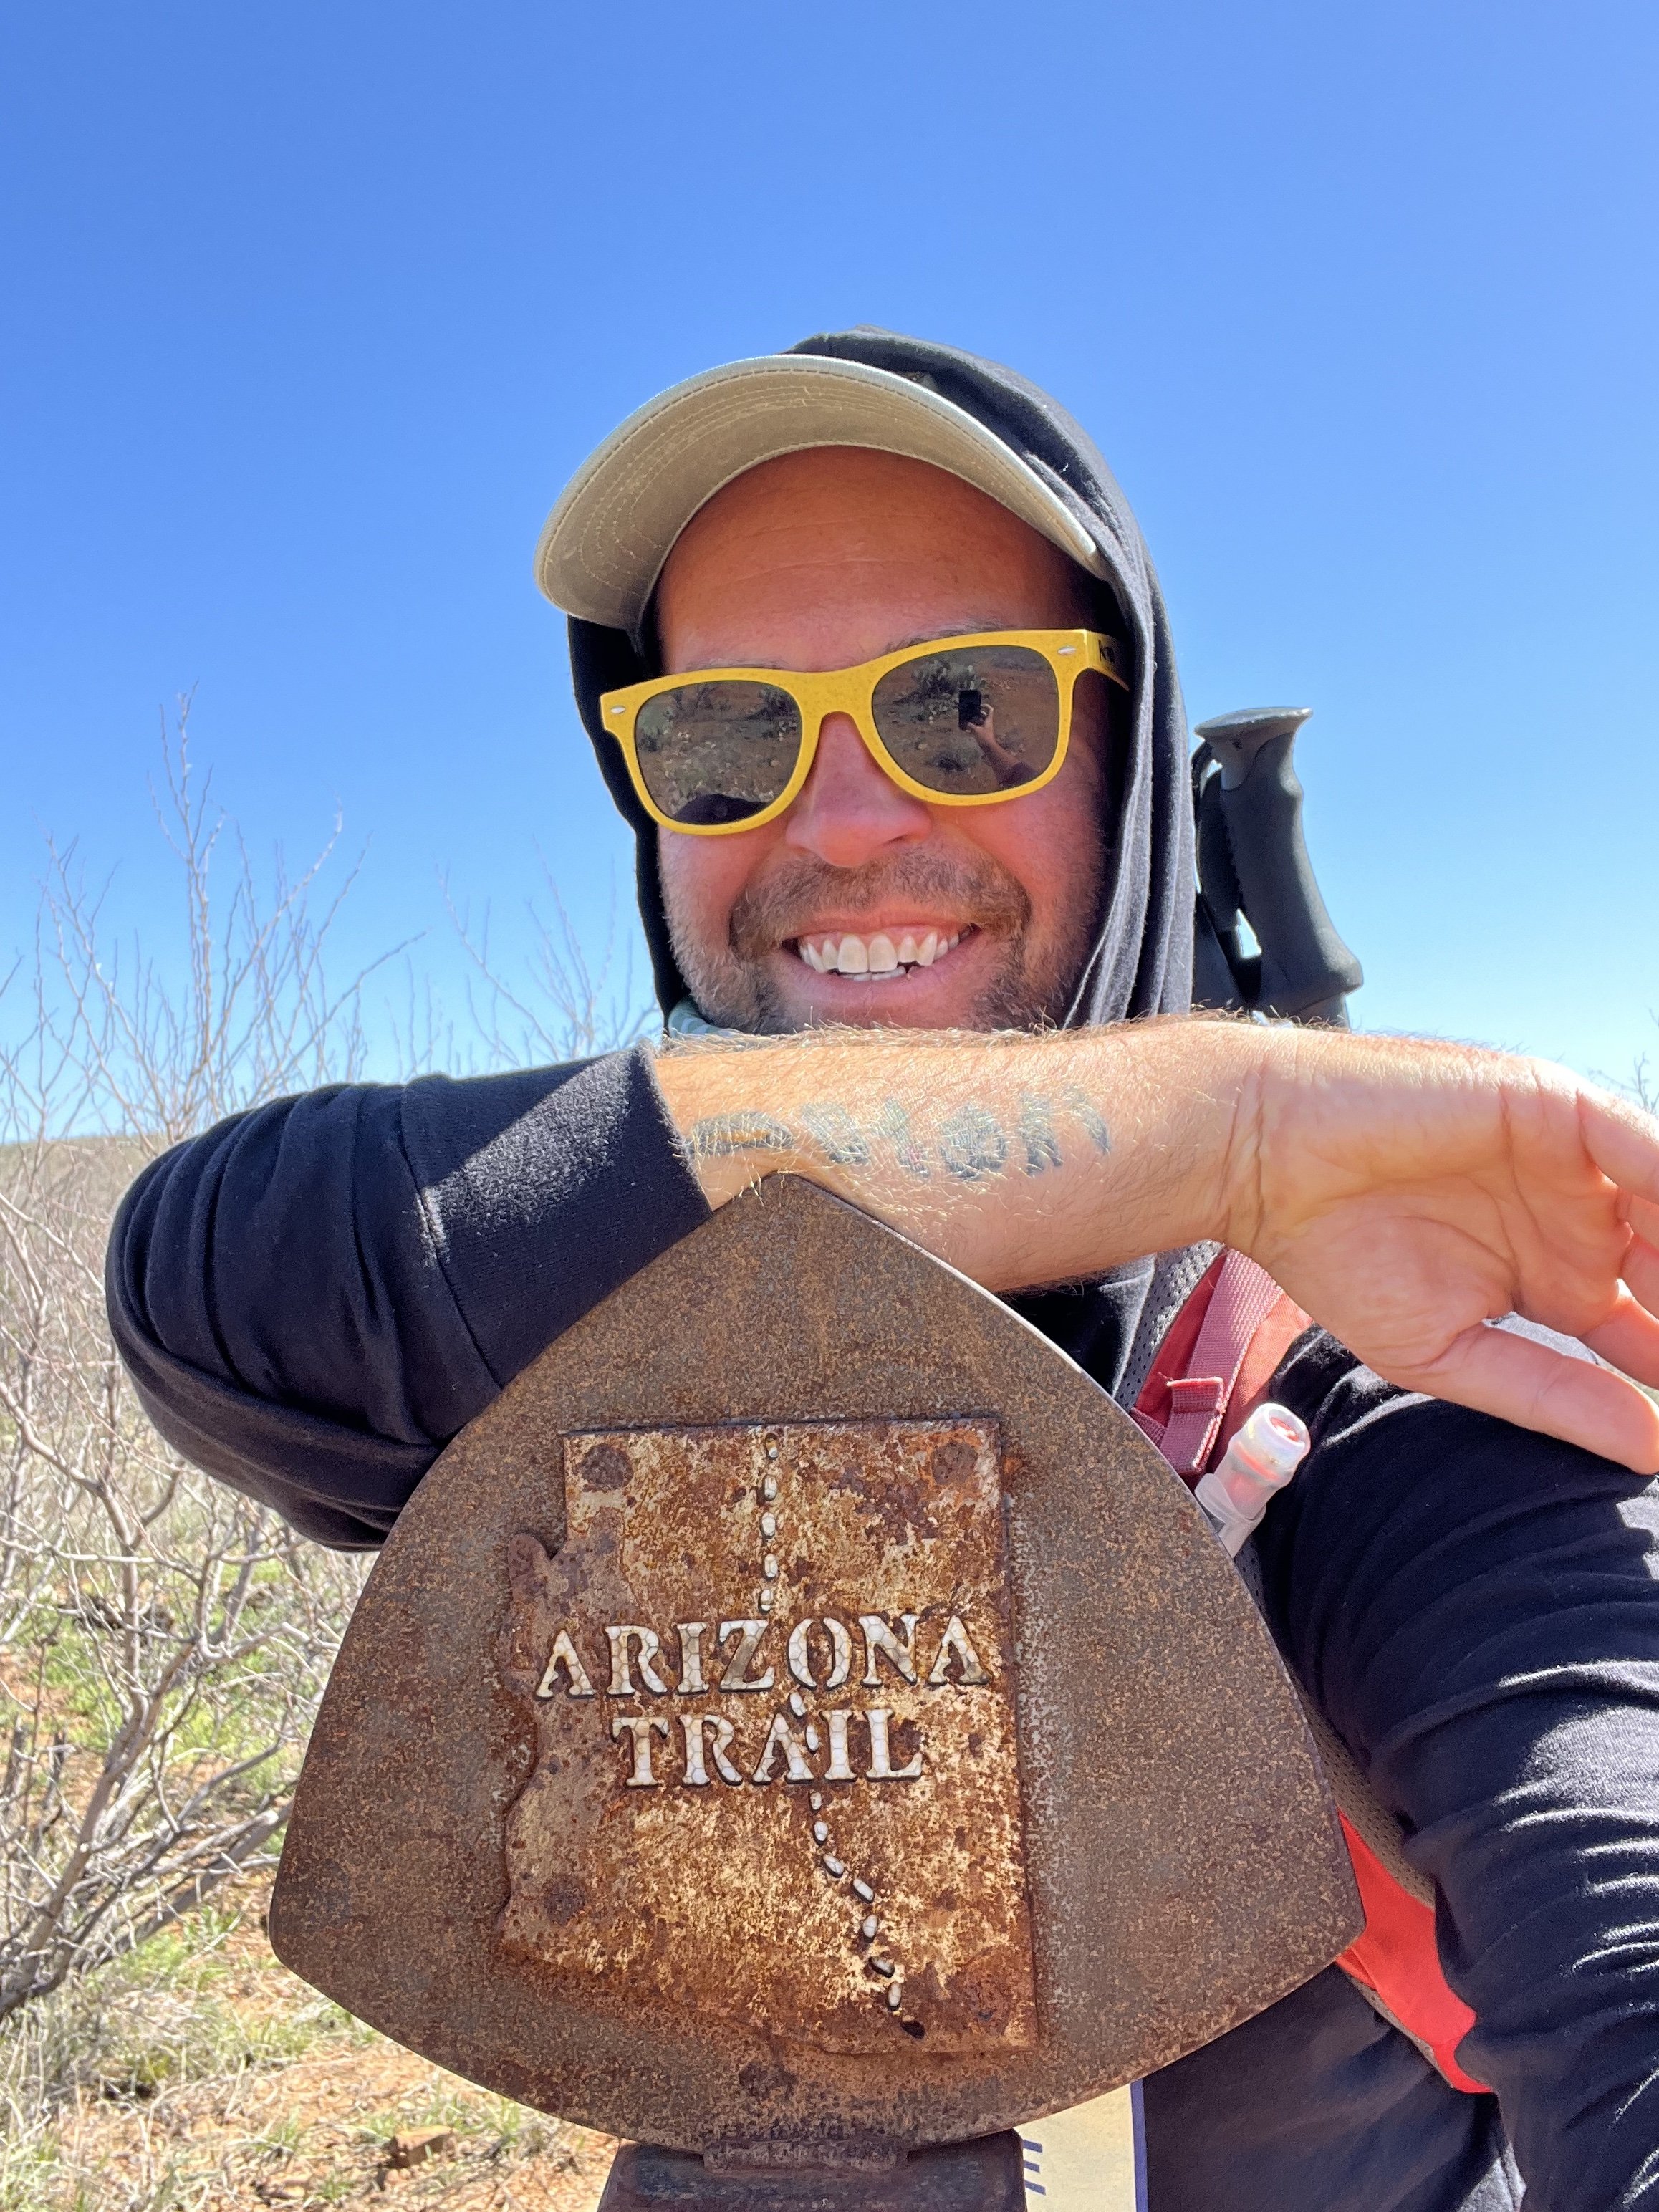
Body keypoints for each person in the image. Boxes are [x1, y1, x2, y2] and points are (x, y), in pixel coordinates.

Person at [107, 329, 1659, 2208]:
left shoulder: (1377, 1385)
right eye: (721, 735)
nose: (839, 822)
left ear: (1132, 776)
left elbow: (1605, 1856)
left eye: (964, 711)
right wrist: (1214, 1124)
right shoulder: (610, 1350)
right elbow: (210, 1279)